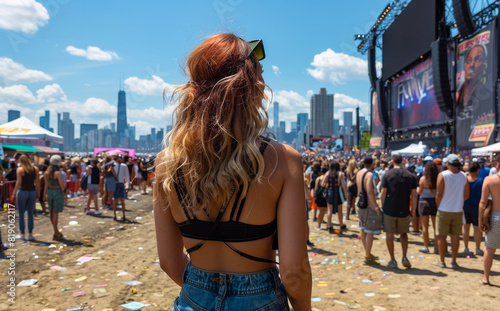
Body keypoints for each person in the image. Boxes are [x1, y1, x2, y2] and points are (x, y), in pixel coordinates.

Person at [153, 34, 311, 310]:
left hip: (193, 298)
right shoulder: (283, 161)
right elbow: (293, 272)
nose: (264, 82)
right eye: (260, 74)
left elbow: (169, 262)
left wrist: (204, 290)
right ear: (251, 87)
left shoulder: (166, 163)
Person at [380, 154, 417, 268]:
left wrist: (383, 207)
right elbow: (414, 195)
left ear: (392, 161)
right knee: (404, 234)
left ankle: (393, 260)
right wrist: (413, 211)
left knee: (389, 235)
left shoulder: (387, 174)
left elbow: (383, 192)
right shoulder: (410, 176)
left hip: (390, 209)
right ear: (403, 161)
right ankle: (404, 256)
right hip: (404, 208)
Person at [433, 154, 469, 268]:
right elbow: (467, 195)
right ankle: (454, 261)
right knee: (455, 236)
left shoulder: (443, 175)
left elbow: (439, 193)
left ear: (448, 164)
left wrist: (438, 205)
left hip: (444, 209)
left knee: (441, 236)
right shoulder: (463, 176)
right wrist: (457, 200)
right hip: (457, 210)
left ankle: (442, 261)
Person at [356, 156, 381, 265]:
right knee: (369, 230)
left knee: (362, 228)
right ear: (372, 164)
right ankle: (367, 255)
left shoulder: (359, 172)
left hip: (359, 202)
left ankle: (367, 252)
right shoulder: (369, 174)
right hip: (367, 204)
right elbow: (369, 191)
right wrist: (375, 207)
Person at [479, 156, 500, 285]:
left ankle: (486, 277)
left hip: (496, 216)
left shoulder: (490, 179)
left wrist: (480, 220)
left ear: (497, 165)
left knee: (490, 249)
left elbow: (483, 202)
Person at [10, 155, 40, 241]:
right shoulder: (35, 169)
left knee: (21, 213)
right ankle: (30, 234)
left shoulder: (20, 169)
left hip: (22, 191)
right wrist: (38, 193)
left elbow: (18, 182)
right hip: (32, 191)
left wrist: (13, 193)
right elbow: (37, 182)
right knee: (31, 213)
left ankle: (22, 233)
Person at [417, 162, 439, 254]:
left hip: (424, 203)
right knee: (436, 227)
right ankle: (436, 247)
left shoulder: (423, 179)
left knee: (425, 227)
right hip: (435, 202)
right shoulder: (438, 179)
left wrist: (417, 188)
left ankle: (426, 246)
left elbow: (419, 192)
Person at [462, 162, 484, 255]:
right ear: (478, 170)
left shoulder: (464, 180)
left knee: (465, 227)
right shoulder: (481, 181)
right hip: (477, 207)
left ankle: (466, 247)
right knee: (477, 229)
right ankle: (478, 248)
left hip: (465, 205)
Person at [322, 161, 347, 233]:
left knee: (329, 209)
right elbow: (343, 185)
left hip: (330, 191)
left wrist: (327, 185)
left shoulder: (327, 173)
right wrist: (345, 194)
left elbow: (323, 183)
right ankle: (341, 224)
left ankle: (329, 225)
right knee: (340, 210)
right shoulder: (340, 174)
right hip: (338, 192)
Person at [44, 155, 65, 240]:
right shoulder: (57, 173)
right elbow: (62, 185)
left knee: (51, 212)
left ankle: (55, 231)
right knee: (55, 212)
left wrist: (43, 195)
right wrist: (64, 191)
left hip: (49, 192)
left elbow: (46, 185)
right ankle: (56, 232)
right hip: (57, 192)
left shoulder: (46, 173)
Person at [112, 156, 130, 221]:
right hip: (121, 183)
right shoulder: (124, 166)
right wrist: (128, 183)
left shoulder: (112, 166)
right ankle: (123, 215)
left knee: (114, 199)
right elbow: (126, 176)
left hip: (114, 183)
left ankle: (114, 215)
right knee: (122, 200)